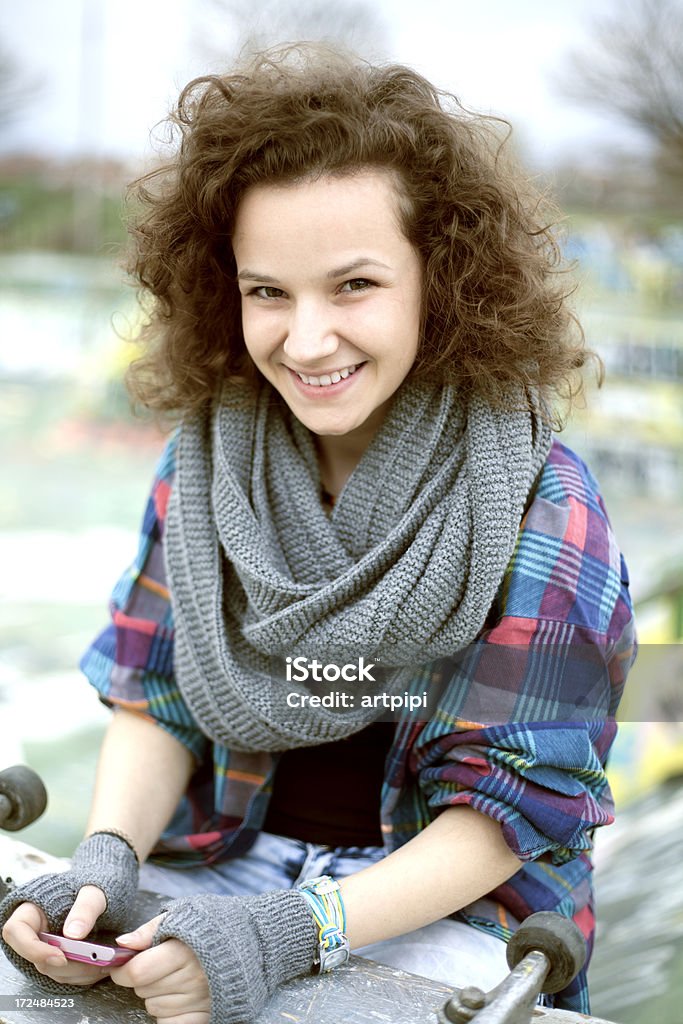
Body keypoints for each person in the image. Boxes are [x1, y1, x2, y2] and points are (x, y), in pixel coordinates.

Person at [0, 44, 636, 1024]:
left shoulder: (541, 502)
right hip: (217, 866)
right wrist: (107, 863)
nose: (304, 340)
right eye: (267, 292)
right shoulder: (207, 461)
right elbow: (154, 692)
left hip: (450, 916)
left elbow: (503, 813)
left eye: (352, 286)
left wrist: (285, 932)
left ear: (444, 277)